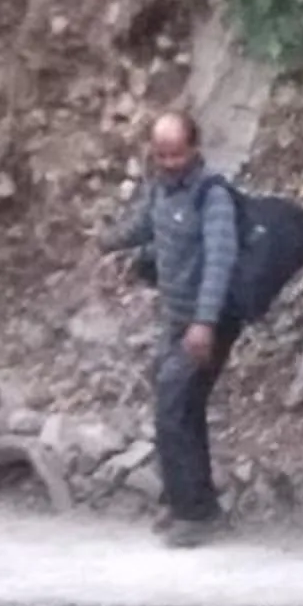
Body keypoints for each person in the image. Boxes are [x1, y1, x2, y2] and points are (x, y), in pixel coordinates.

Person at [101, 110, 242, 546]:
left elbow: (220, 262)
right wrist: (105, 241)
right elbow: (143, 226)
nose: (166, 163)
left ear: (195, 149)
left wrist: (204, 324)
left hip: (206, 323)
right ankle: (192, 502)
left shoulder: (213, 197)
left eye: (175, 154)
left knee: (172, 408)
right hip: (173, 319)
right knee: (181, 409)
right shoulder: (160, 188)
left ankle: (195, 514)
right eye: (160, 154)